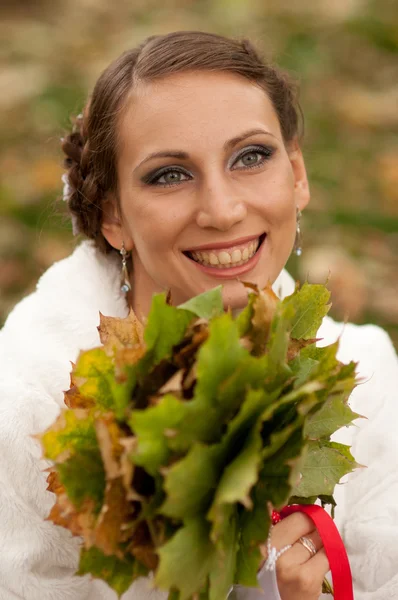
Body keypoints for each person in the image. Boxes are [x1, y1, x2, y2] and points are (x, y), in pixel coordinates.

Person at [0, 31, 397, 600]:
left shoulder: (369, 380)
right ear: (112, 215)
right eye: (169, 174)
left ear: (298, 175)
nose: (222, 209)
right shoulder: (29, 407)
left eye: (251, 157)